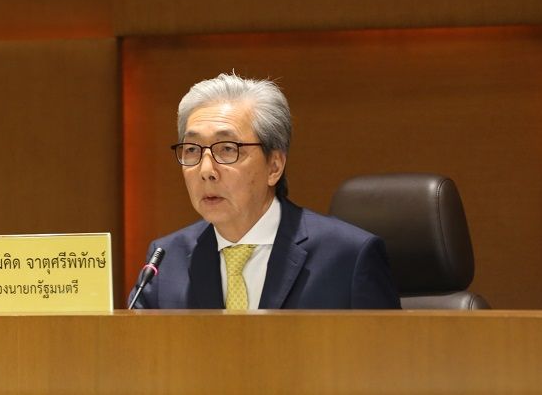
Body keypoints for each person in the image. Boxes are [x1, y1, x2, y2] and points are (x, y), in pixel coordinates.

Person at [129, 72, 400, 309]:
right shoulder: (165, 261)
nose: (206, 169)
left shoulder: (348, 257)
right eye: (191, 150)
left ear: (274, 166)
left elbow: (387, 352)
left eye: (227, 149)